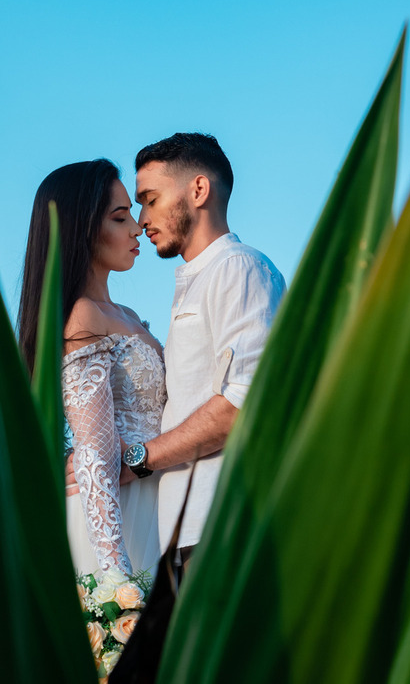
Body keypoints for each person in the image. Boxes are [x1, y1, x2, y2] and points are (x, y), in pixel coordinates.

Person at [121, 133, 285, 576]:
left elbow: (241, 404)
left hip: (219, 528)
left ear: (198, 190)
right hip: (180, 532)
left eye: (150, 200)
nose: (141, 220)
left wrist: (138, 459)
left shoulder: (238, 267)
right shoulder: (201, 277)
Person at [17, 159, 166, 578]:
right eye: (120, 218)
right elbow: (96, 453)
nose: (137, 228)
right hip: (123, 517)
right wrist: (115, 578)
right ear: (82, 228)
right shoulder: (83, 317)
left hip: (158, 498)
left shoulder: (129, 315)